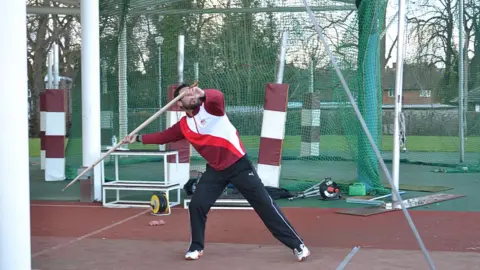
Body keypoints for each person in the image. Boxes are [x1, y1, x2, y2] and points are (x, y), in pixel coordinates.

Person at [122, 83, 310, 262]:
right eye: (185, 95)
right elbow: (163, 136)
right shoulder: (183, 126)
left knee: (265, 205)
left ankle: (298, 245)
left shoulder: (211, 108)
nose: (191, 95)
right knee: (197, 205)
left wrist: (202, 94)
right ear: (178, 104)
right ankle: (196, 247)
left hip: (239, 166)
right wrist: (137, 137)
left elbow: (217, 96)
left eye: (192, 92)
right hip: (215, 170)